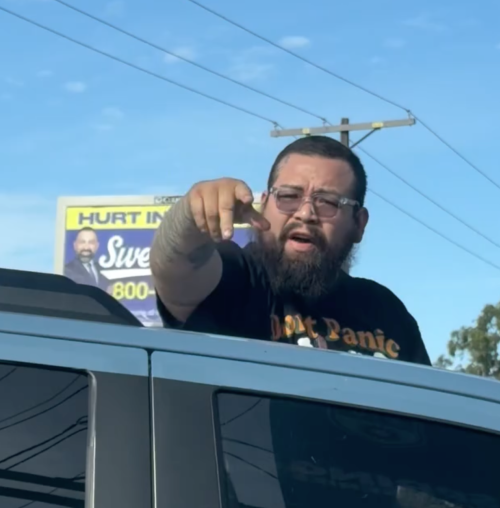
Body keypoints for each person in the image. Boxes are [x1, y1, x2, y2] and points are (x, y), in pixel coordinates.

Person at [151, 136, 430, 363]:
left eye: (328, 202)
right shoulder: (236, 277)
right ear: (264, 204)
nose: (306, 213)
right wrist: (190, 215)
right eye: (288, 196)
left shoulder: (385, 311)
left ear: (359, 224)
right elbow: (174, 267)